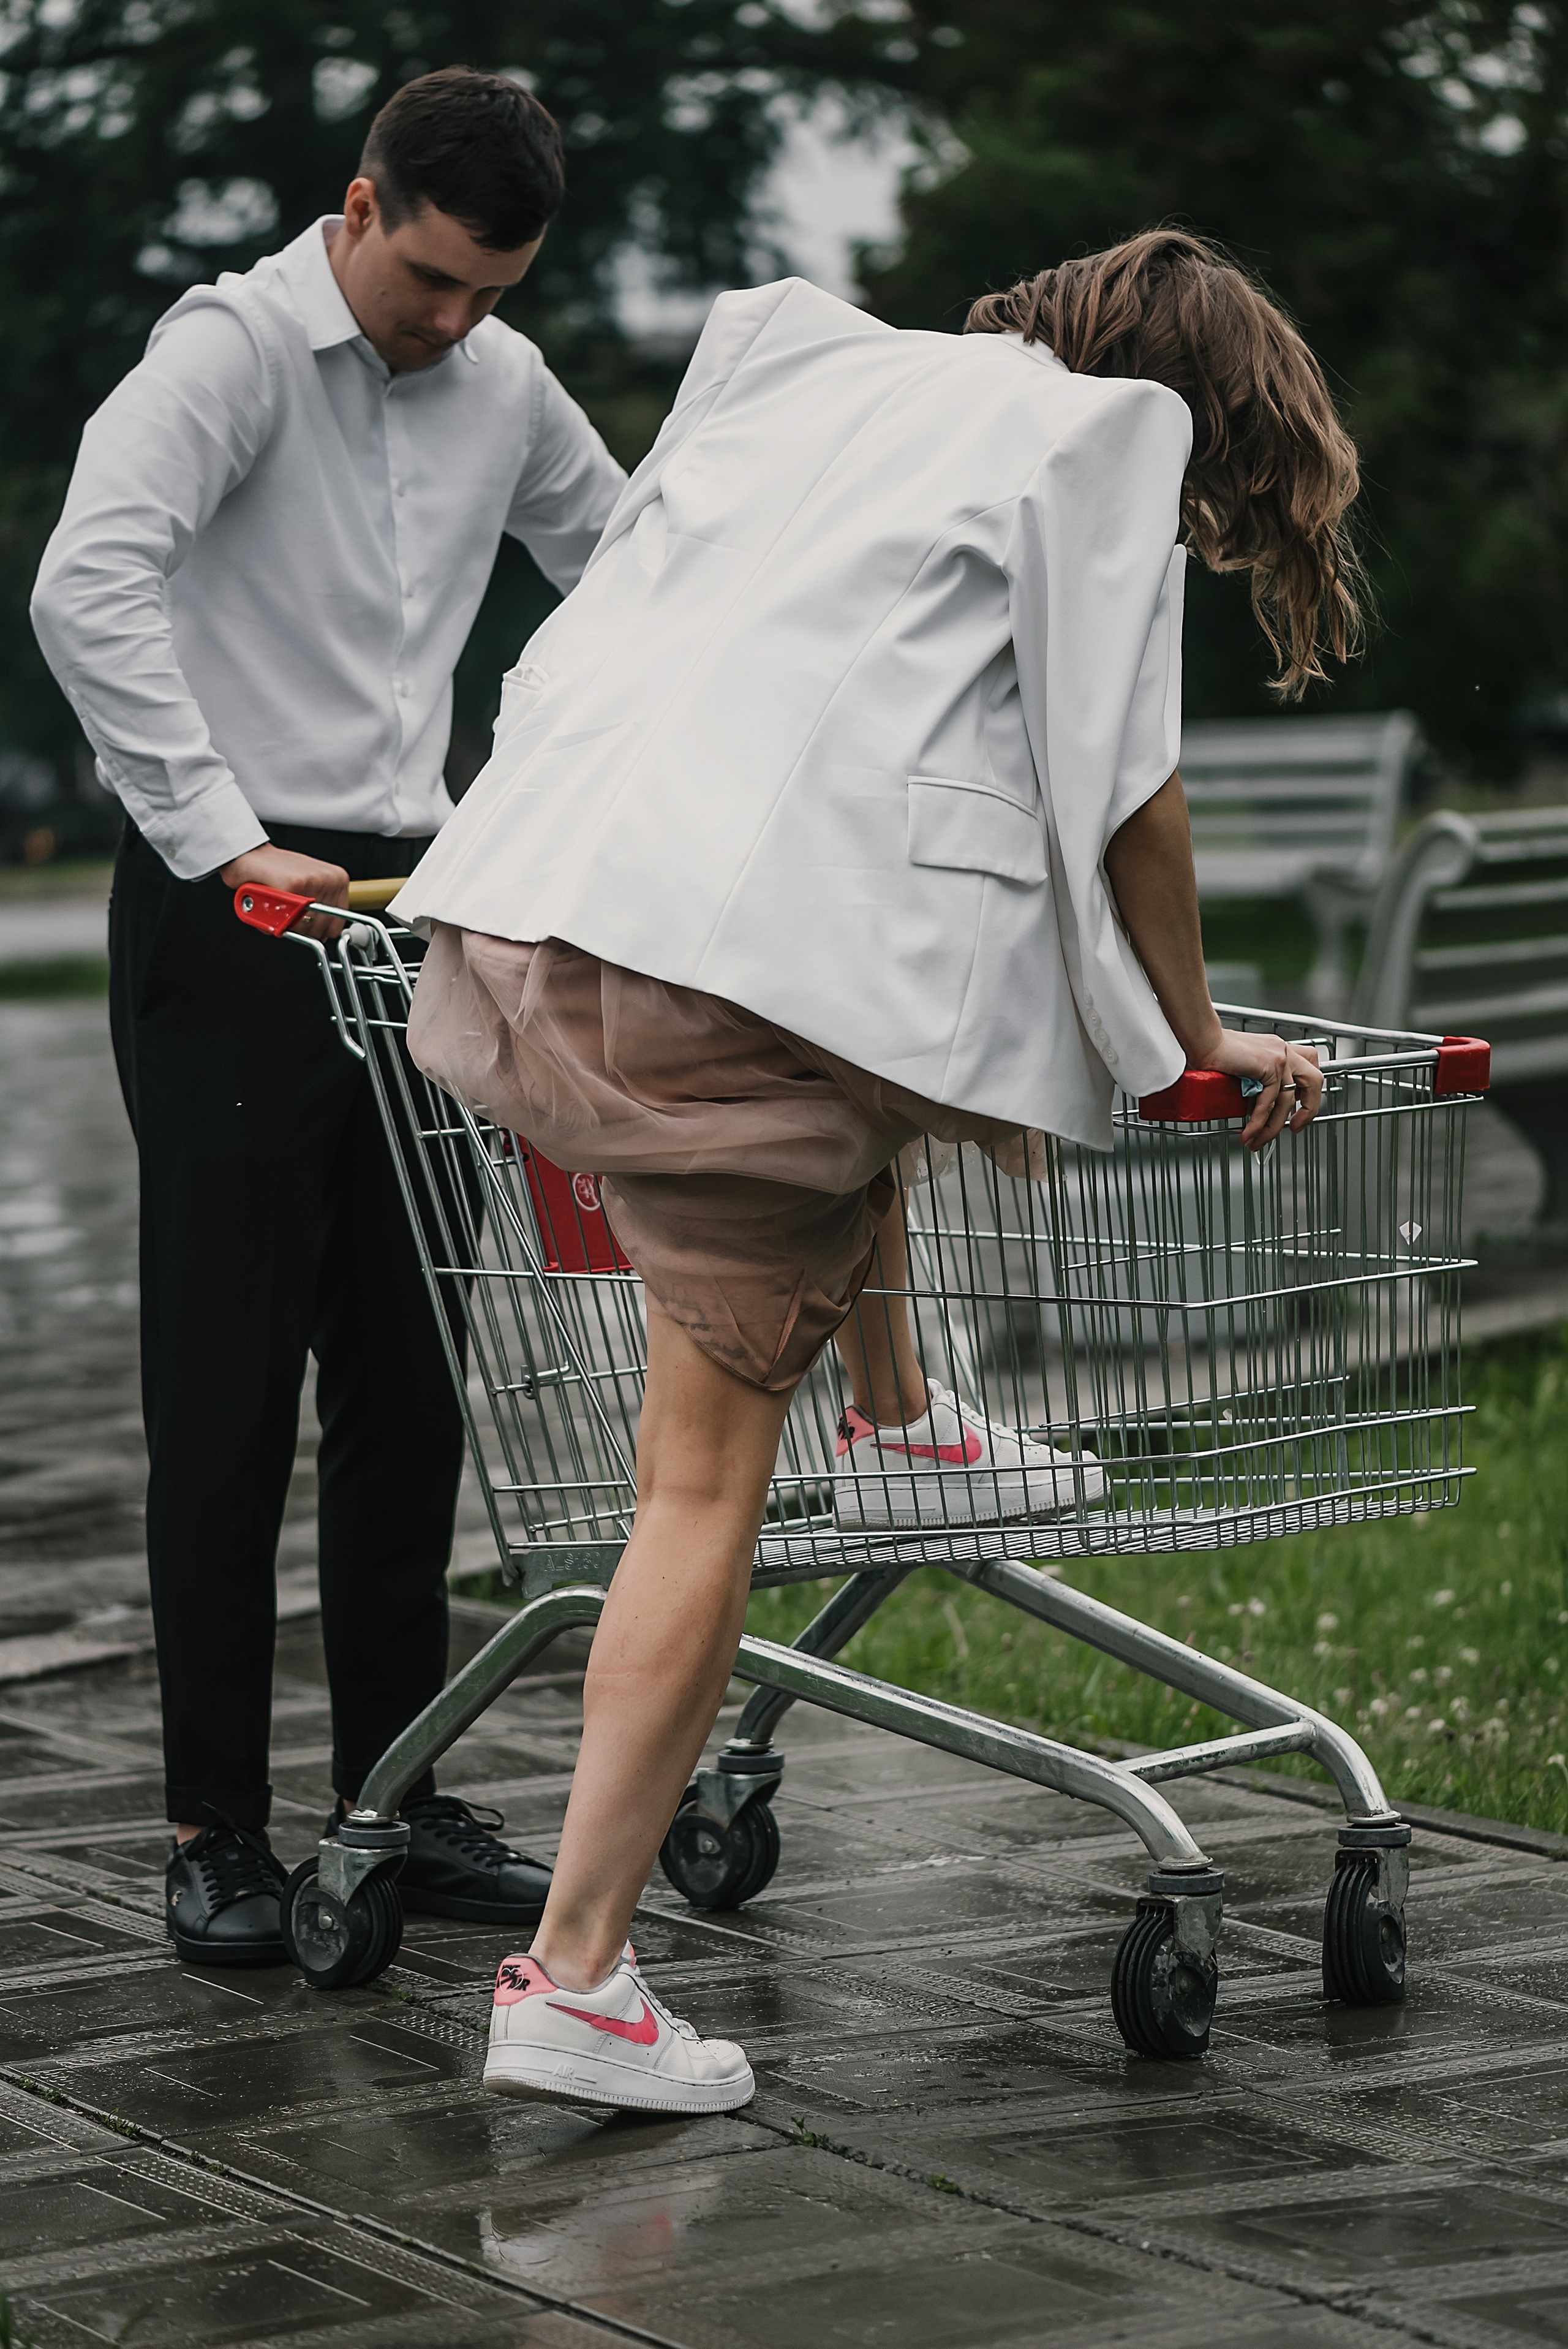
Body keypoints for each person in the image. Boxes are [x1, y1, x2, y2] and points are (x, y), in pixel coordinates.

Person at [393, 229, 1354, 2113]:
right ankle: (575, 1976)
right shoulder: (1104, 438)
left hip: (545, 914)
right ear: (1188, 403)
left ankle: (906, 1422)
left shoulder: (828, 381)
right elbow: (1132, 792)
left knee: (893, 1068)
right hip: (720, 1001)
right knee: (698, 1495)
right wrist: (1191, 1034)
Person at [29, 69, 627, 1966]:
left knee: (411, 1373)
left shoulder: (506, 380)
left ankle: (399, 1794)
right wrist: (222, 836)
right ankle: (213, 1828)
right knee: (227, 1390)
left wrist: (547, 793)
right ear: (358, 208)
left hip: (417, 913)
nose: (456, 320)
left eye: (493, 291)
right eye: (434, 277)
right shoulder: (226, 353)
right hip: (232, 904)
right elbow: (85, 584)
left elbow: (631, 573)